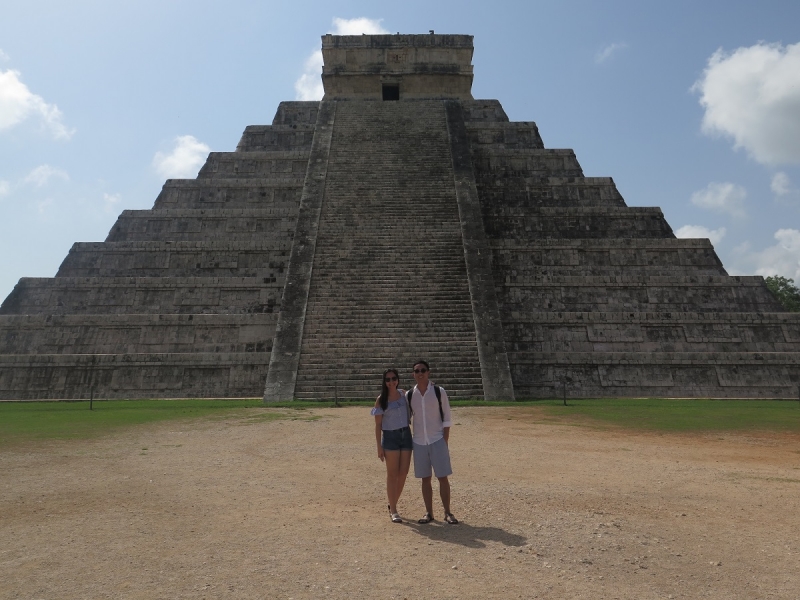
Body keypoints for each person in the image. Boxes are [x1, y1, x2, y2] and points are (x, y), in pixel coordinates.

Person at [407, 360, 458, 524]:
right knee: (425, 479)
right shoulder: (409, 395)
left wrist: (445, 440)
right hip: (420, 441)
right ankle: (429, 512)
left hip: (437, 439)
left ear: (428, 372)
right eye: (417, 371)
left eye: (423, 370)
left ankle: (448, 512)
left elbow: (447, 417)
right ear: (413, 374)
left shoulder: (438, 391)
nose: (420, 373)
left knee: (443, 477)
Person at [371, 368, 412, 523]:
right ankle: (394, 509)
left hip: (406, 434)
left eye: (393, 378)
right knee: (392, 474)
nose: (391, 382)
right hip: (390, 436)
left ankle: (392, 502)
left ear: (398, 379)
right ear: (384, 382)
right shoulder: (381, 399)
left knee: (403, 473)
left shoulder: (404, 395)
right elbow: (378, 425)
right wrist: (378, 447)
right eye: (387, 379)